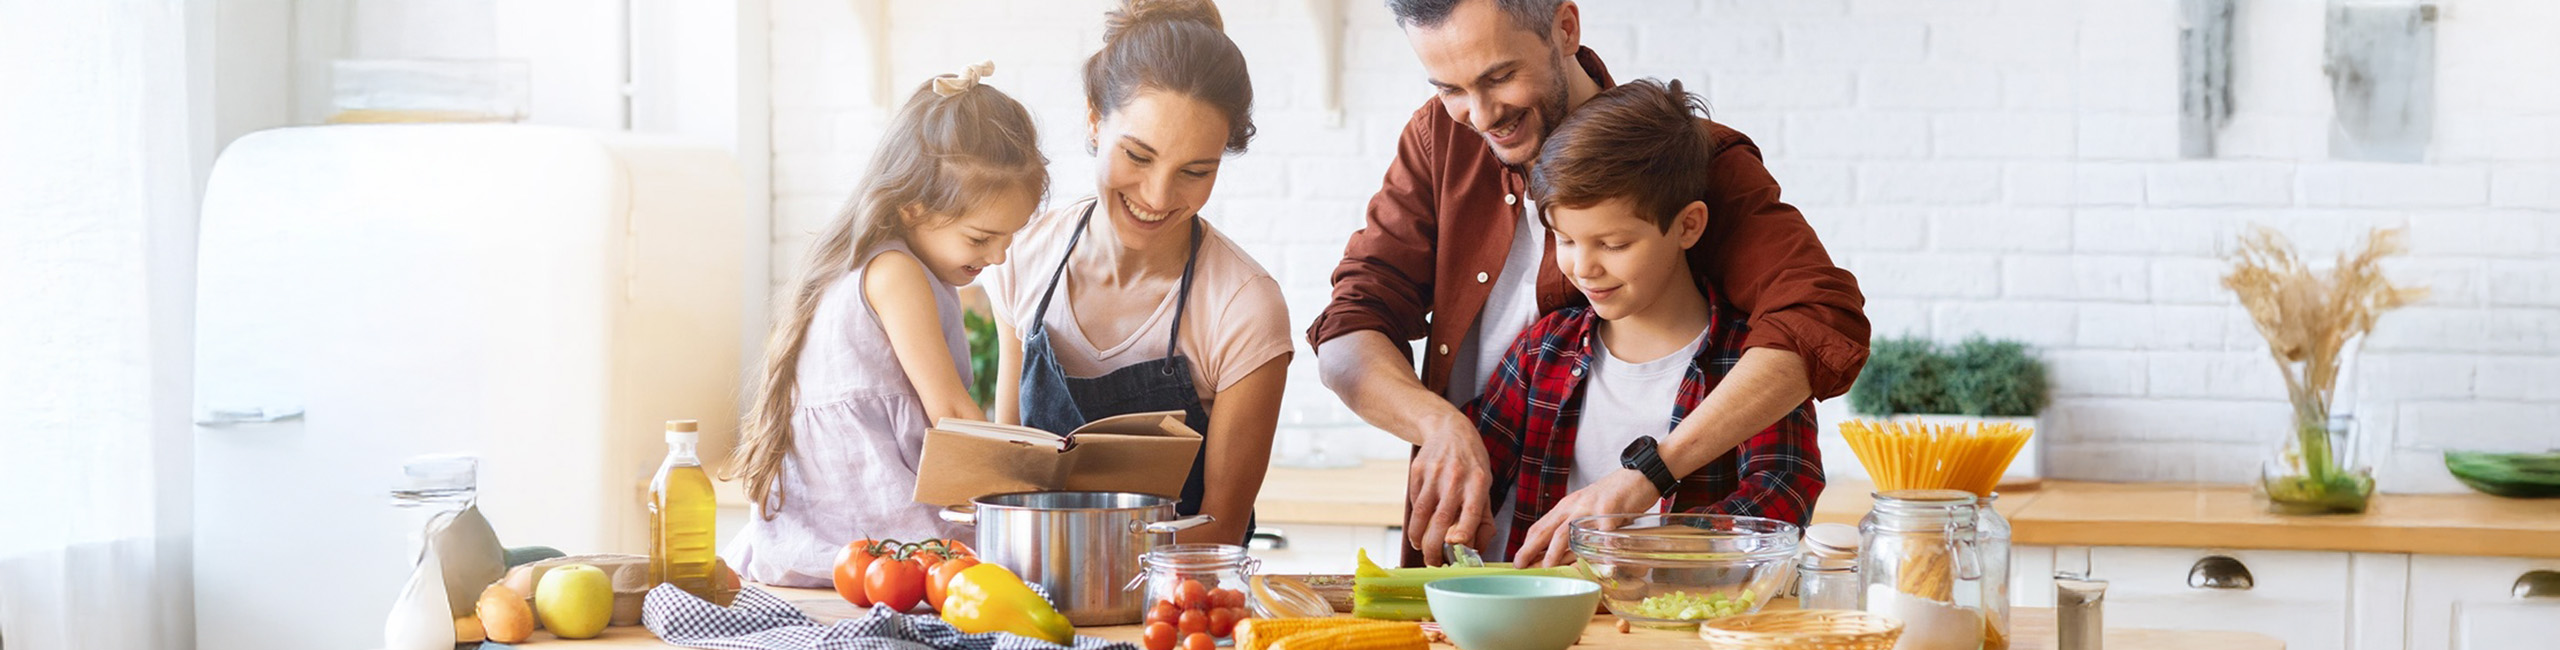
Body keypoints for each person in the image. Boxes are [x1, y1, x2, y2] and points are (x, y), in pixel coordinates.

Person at [1307, 0, 1869, 566]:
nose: (1478, 116)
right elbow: (1352, 324)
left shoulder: (1688, 159)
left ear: (1566, 28)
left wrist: (1648, 481)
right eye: (1449, 89)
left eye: (1500, 76)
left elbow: (1817, 320)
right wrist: (1439, 425)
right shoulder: (1440, 137)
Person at [1469, 79, 1821, 567]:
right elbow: (1476, 473)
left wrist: (1636, 549)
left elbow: (1781, 497)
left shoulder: (1751, 363)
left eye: (1613, 244)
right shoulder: (1541, 351)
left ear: (1688, 225)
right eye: (1565, 240)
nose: (1583, 267)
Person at [722, 64, 1048, 586]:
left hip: (839, 526)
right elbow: (950, 412)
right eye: (981, 238)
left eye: (1009, 239)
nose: (998, 257)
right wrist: (1028, 486)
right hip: (871, 525)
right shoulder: (896, 273)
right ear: (913, 208)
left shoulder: (888, 262)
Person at [985, 0, 1290, 547]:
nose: (1157, 197)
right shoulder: (1023, 258)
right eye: (1139, 156)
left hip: (1177, 605)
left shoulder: (1243, 306)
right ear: (1095, 120)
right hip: (1033, 595)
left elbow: (1217, 532)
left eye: (1195, 171)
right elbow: (1007, 475)